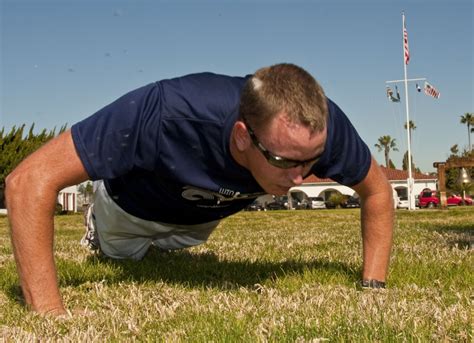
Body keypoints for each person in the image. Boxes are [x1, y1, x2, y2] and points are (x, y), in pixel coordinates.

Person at [5, 63, 394, 316]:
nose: (300, 179)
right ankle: (100, 228)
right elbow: (26, 182)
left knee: (182, 243)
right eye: (285, 162)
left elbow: (377, 192)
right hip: (129, 212)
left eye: (311, 161)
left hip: (199, 221)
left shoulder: (320, 130)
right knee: (122, 255)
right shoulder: (166, 110)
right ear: (243, 136)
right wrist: (49, 317)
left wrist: (373, 287)